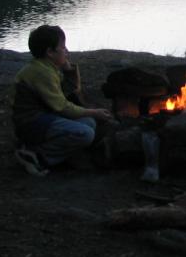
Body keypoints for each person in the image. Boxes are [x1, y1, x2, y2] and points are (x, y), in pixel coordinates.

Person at [10, 24, 112, 176]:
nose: (67, 51)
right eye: (63, 47)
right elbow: (63, 107)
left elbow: (68, 94)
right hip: (31, 123)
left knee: (89, 123)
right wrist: (94, 112)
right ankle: (37, 156)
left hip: (44, 117)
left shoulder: (48, 68)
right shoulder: (41, 72)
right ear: (50, 52)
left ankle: (49, 151)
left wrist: (68, 69)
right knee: (85, 133)